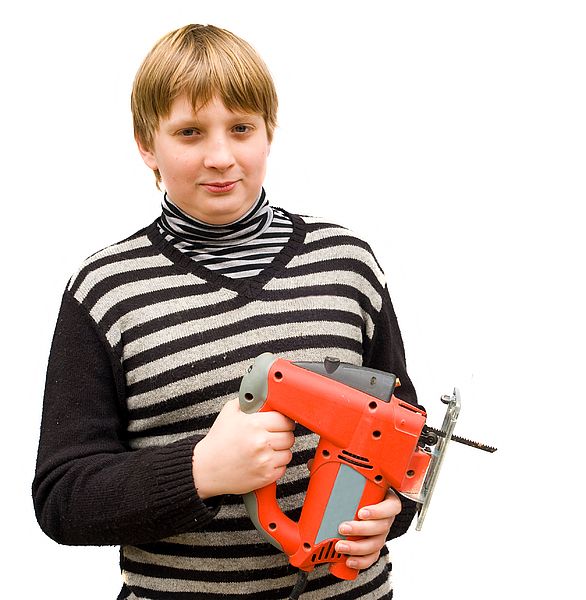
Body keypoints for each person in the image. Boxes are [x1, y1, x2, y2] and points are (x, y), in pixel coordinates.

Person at [33, 24, 419, 600]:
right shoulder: (104, 291)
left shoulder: (348, 264)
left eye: (241, 128)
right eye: (189, 132)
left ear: (269, 132)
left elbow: (404, 433)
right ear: (146, 144)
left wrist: (391, 512)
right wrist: (202, 471)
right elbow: (62, 498)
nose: (220, 157)